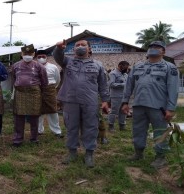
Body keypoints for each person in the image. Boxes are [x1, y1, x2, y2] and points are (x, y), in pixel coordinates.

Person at [121, 40, 179, 169]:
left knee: (160, 132)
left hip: (158, 107)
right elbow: (129, 85)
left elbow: (173, 89)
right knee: (138, 130)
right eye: (151, 46)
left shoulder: (170, 67)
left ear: (163, 51)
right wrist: (125, 102)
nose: (153, 49)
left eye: (157, 47)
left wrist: (170, 108)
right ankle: (138, 152)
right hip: (139, 105)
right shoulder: (138, 66)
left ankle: (160, 157)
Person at [53, 39, 109, 168]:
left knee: (91, 127)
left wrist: (105, 101)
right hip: (70, 100)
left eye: (83, 45)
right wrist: (59, 48)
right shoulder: (67, 62)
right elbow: (57, 56)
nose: (79, 47)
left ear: (89, 49)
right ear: (73, 50)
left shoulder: (98, 65)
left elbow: (103, 85)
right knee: (71, 127)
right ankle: (72, 152)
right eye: (77, 45)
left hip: (90, 101)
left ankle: (89, 154)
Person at [12, 44, 48, 147]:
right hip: (20, 92)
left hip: (34, 93)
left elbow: (44, 81)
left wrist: (41, 92)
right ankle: (17, 140)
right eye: (25, 53)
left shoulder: (39, 66)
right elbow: (14, 78)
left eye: (29, 53)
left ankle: (34, 138)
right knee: (19, 117)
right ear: (21, 54)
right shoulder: (16, 65)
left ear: (33, 54)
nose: (27, 55)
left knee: (34, 116)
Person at [36, 50, 63, 138]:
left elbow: (57, 79)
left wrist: (51, 88)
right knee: (38, 110)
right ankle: (38, 130)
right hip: (37, 89)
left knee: (52, 110)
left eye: (43, 56)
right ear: (36, 58)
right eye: (39, 57)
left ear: (46, 57)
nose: (41, 58)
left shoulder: (53, 67)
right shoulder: (34, 66)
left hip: (50, 89)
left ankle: (57, 131)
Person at [107, 61, 130, 132]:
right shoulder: (113, 73)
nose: (126, 69)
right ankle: (111, 125)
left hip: (124, 96)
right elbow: (111, 84)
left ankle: (122, 125)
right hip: (116, 96)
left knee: (123, 111)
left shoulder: (125, 74)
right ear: (120, 65)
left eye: (127, 67)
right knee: (114, 111)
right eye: (125, 67)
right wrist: (123, 84)